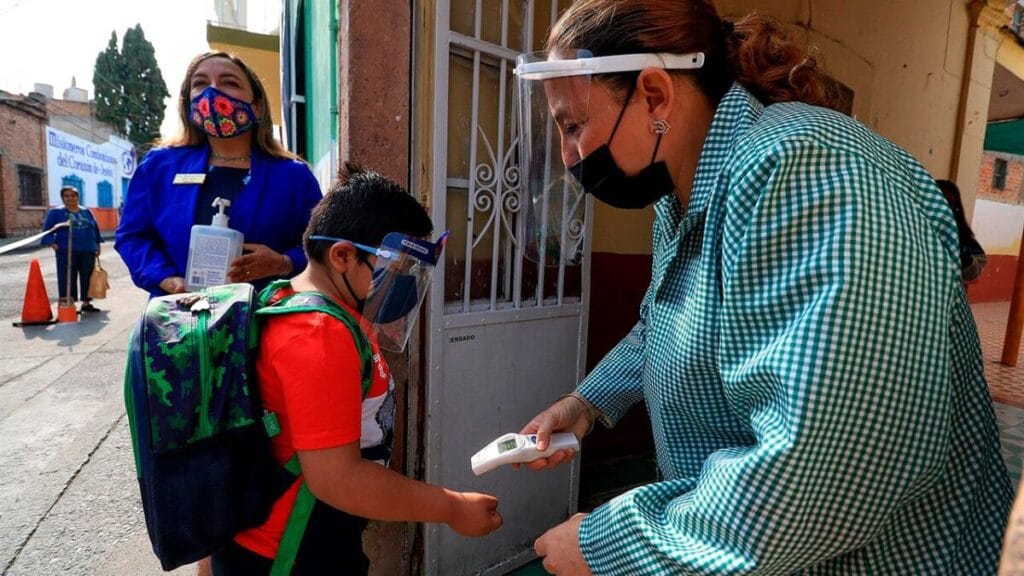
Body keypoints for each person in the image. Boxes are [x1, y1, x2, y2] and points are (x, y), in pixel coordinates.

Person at [512, 1, 1013, 574]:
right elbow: (666, 319)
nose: (568, 156)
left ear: (654, 94)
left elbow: (823, 470)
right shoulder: (684, 197)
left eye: (573, 126)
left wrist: (608, 543)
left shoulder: (801, 168)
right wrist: (584, 404)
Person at [210, 164, 502, 575]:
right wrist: (452, 507)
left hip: (291, 537)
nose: (402, 284)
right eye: (395, 269)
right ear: (343, 256)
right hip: (289, 554)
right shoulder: (319, 335)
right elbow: (337, 479)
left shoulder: (290, 299)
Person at [115, 51, 322, 297]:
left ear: (256, 107)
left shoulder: (293, 177)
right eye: (200, 83)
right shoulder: (159, 167)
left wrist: (284, 262)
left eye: (229, 82)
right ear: (188, 103)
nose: (212, 93)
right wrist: (165, 278)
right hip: (180, 323)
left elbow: (321, 243)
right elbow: (132, 236)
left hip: (267, 321)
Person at [40, 185, 103, 313]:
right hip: (66, 251)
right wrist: (53, 244)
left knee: (88, 276)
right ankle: (69, 304)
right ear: (62, 198)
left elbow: (94, 228)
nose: (70, 198)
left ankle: (86, 303)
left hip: (87, 249)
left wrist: (97, 244)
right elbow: (47, 231)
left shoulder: (86, 211)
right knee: (67, 277)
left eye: (73, 195)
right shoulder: (56, 212)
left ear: (78, 197)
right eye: (66, 196)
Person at [936, 179, 988, 283]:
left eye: (949, 203)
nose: (944, 208)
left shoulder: (961, 236)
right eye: (939, 200)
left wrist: (956, 250)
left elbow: (974, 271)